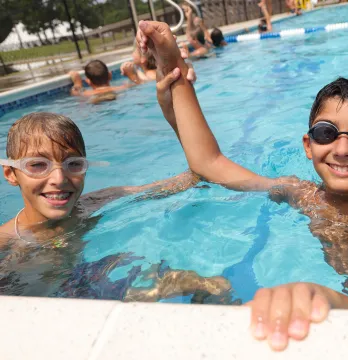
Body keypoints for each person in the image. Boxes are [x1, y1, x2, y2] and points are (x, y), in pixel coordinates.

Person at [136, 20, 348, 351]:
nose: (343, 149)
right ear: (308, 146)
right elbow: (210, 165)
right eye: (326, 133)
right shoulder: (305, 195)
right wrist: (172, 64)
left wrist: (319, 295)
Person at [0, 111, 228, 303]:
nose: (59, 178)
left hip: (91, 275)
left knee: (214, 285)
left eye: (74, 164)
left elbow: (194, 177)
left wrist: (173, 112)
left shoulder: (96, 203)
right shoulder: (7, 242)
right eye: (38, 165)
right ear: (11, 174)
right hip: (43, 300)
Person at [69, 60, 140, 104]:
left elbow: (75, 91)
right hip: (115, 97)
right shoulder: (122, 87)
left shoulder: (86, 94)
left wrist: (77, 82)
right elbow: (138, 83)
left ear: (88, 81)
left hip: (95, 101)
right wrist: (131, 75)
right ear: (110, 75)